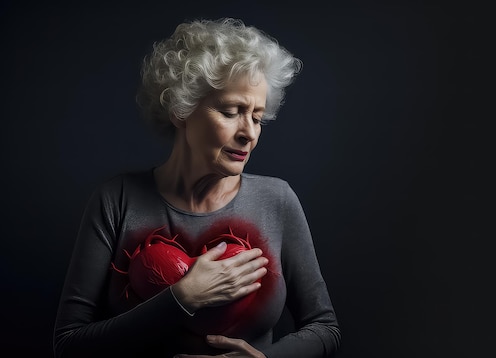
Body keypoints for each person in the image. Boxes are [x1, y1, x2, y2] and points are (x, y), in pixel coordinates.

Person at [53, 17, 341, 358]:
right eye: (232, 111)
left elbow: (326, 328)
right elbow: (68, 346)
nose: (249, 132)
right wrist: (182, 298)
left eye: (258, 117)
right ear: (181, 108)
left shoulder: (277, 201)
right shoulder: (117, 200)